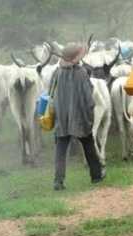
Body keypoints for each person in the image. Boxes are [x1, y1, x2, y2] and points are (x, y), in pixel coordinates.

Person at [49, 42, 104, 191]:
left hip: (61, 117)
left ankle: (58, 181)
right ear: (75, 57)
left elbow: (50, 93)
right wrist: (90, 113)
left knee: (60, 150)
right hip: (79, 117)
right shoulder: (81, 72)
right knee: (88, 145)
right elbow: (88, 97)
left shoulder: (57, 72)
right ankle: (96, 175)